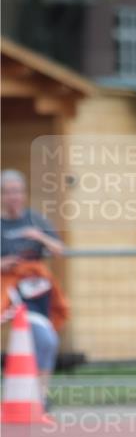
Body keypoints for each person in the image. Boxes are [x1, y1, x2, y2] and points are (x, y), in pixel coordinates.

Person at [1, 169, 67, 411]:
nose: (13, 197)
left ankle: (41, 395)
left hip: (37, 293)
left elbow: (59, 249)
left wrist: (40, 237)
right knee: (40, 339)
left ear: (24, 194)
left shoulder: (36, 220)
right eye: (8, 192)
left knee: (46, 341)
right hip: (9, 292)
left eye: (17, 191)